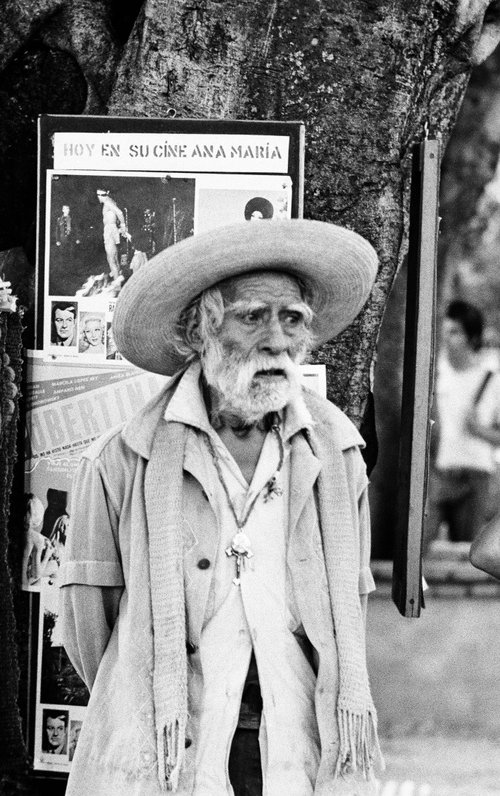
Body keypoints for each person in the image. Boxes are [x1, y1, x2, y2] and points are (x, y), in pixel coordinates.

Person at [60, 219, 382, 795]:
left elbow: (350, 609)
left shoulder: (337, 458)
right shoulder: (123, 459)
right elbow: (92, 629)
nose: (277, 340)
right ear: (200, 330)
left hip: (295, 740)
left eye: (292, 319)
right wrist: (157, 689)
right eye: (253, 317)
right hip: (166, 751)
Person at [426, 299, 500, 550]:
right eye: (445, 331)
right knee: (417, 549)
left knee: (467, 553)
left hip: (475, 475)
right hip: (440, 473)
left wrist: (479, 430)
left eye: (455, 332)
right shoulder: (436, 376)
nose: (447, 338)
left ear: (472, 336)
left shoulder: (491, 379)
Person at [96, 188, 132, 280]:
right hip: (112, 229)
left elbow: (119, 212)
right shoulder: (110, 201)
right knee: (114, 257)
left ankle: (117, 282)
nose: (98, 198)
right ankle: (118, 278)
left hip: (110, 230)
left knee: (111, 259)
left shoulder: (108, 202)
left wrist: (123, 226)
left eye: (98, 196)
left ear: (101, 195)